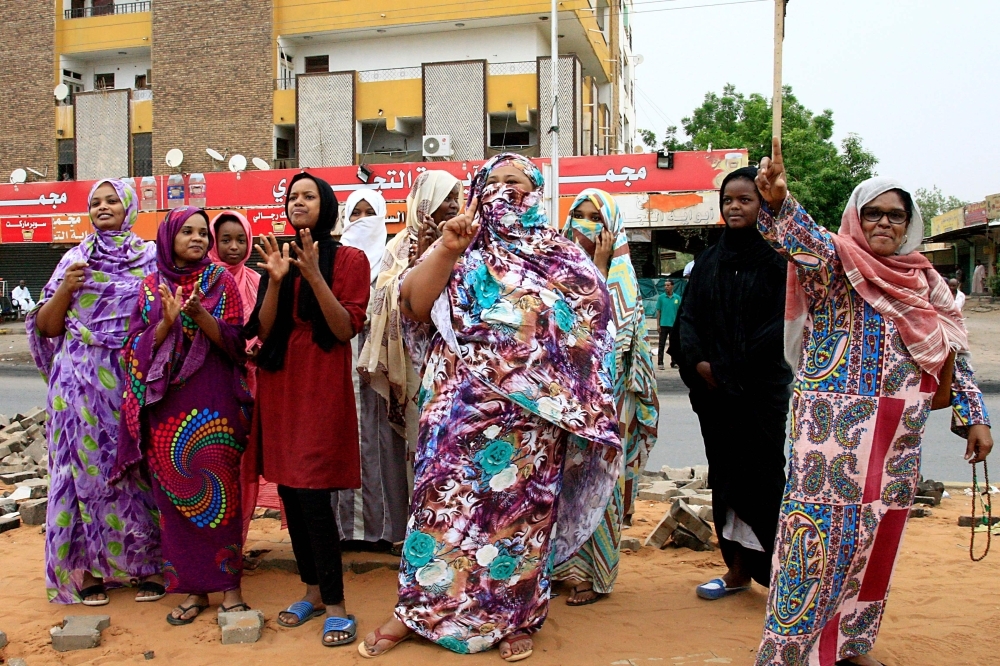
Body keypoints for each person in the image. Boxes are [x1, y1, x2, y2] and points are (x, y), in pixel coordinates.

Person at [358, 153, 621, 661]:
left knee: (517, 523)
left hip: (533, 427)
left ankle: (515, 617)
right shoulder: (460, 247)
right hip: (457, 415)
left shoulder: (562, 258)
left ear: (536, 193)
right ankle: (416, 611)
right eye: (492, 182)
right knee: (440, 515)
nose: (503, 191)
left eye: (515, 182)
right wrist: (448, 249)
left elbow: (592, 330)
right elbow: (412, 304)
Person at [754, 139, 993, 666]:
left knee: (876, 543)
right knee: (814, 543)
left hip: (899, 437)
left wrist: (974, 417)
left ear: (910, 224)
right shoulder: (835, 264)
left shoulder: (931, 285)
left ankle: (849, 644)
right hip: (832, 440)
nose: (884, 223)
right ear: (856, 219)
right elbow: (800, 240)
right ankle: (789, 653)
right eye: (874, 213)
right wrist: (777, 203)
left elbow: (956, 354)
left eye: (895, 215)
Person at [113, 206, 253, 625]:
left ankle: (230, 589)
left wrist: (199, 317)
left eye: (201, 233)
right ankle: (192, 591)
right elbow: (132, 349)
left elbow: (235, 343)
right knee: (174, 500)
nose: (198, 239)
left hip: (213, 406)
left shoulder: (220, 281)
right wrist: (165, 325)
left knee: (220, 497)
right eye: (187, 232)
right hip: (166, 410)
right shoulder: (151, 288)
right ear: (168, 236)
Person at [247, 172, 370, 647]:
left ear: (326, 205)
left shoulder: (349, 258)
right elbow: (263, 326)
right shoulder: (276, 254)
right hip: (279, 381)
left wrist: (314, 274)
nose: (298, 203)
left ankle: (337, 605)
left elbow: (344, 328)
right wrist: (277, 281)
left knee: (314, 490)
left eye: (308, 196)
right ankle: (312, 590)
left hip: (319, 380)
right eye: (292, 196)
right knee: (291, 492)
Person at [27, 179, 162, 606]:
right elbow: (48, 326)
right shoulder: (74, 259)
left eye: (111, 201)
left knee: (135, 470)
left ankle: (147, 565)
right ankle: (87, 574)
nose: (103, 207)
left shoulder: (152, 258)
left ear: (130, 207)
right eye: (95, 202)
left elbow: (164, 317)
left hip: (132, 380)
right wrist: (67, 287)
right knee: (79, 475)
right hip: (78, 386)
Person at [677, 166, 793, 602]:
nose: (735, 207)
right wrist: (699, 361)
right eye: (729, 200)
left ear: (763, 205)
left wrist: (729, 369)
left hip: (759, 394)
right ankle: (737, 570)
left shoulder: (780, 260)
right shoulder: (708, 260)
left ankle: (784, 579)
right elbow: (689, 320)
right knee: (726, 481)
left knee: (762, 480)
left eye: (745, 199)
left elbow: (779, 328)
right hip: (715, 396)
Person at [553, 188, 659, 605]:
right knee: (562, 485)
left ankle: (594, 574)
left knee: (598, 485)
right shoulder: (556, 268)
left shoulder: (622, 277)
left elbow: (611, 341)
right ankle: (561, 567)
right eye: (579, 215)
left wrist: (597, 271)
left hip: (609, 400)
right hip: (563, 397)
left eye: (596, 218)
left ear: (611, 227)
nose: (585, 225)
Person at [335, 189, 401, 547]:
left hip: (379, 372)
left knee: (382, 445)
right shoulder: (333, 262)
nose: (362, 218)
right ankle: (343, 530)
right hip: (338, 367)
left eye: (369, 211)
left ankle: (385, 530)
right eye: (355, 212)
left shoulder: (392, 265)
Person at [206, 210, 273, 545]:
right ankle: (210, 544)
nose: (233, 247)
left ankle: (235, 543)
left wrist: (257, 346)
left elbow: (267, 325)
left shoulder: (258, 281)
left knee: (243, 467)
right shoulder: (203, 283)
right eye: (225, 240)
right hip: (212, 386)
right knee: (212, 465)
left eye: (240, 240)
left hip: (251, 387)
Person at [653, 281, 681, 369]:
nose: (666, 287)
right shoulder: (661, 298)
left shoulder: (677, 298)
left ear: (672, 286)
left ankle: (674, 362)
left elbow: (680, 312)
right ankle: (660, 362)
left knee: (674, 344)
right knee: (661, 344)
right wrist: (658, 324)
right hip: (663, 324)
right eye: (665, 285)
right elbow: (658, 311)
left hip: (674, 325)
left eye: (668, 285)